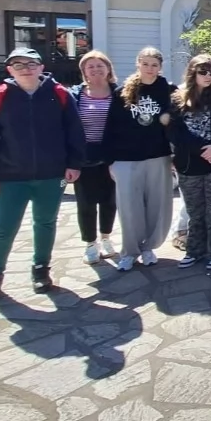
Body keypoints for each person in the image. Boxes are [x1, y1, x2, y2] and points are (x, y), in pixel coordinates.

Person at [0, 48, 85, 307]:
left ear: (41, 66)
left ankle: (41, 269)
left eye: (31, 63)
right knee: (3, 228)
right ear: (10, 69)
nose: (26, 68)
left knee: (45, 223)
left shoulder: (60, 95)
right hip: (11, 176)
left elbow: (74, 132)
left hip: (51, 174)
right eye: (18, 64)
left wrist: (75, 163)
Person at [104, 46, 175, 272]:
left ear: (160, 67)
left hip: (158, 157)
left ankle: (149, 247)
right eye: (145, 64)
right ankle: (130, 251)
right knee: (129, 207)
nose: (149, 69)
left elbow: (178, 123)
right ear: (138, 64)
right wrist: (110, 160)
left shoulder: (169, 91)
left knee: (157, 205)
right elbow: (111, 127)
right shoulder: (122, 92)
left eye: (154, 65)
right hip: (126, 159)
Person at [168, 54, 211, 270]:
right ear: (193, 73)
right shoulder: (178, 97)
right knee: (195, 211)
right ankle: (195, 250)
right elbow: (174, 131)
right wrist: (202, 150)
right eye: (203, 72)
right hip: (190, 164)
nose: (208, 76)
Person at [70, 50, 118, 265]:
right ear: (84, 72)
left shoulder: (119, 94)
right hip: (83, 157)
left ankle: (106, 238)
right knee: (86, 202)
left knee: (110, 200)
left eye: (100, 65)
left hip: (111, 156)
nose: (96, 70)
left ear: (108, 69)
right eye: (91, 67)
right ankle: (90, 243)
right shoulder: (75, 95)